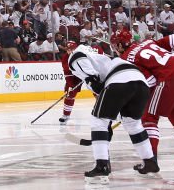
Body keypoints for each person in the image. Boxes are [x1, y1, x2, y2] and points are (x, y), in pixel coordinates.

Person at [112, 30, 174, 169]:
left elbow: (149, 81)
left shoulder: (127, 58)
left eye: (114, 45)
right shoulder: (148, 42)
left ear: (119, 45)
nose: (114, 49)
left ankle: (151, 161)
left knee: (149, 117)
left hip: (170, 77)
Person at [68, 44, 159, 180]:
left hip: (120, 80)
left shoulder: (75, 56)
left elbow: (94, 79)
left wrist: (91, 80)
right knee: (133, 124)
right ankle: (150, 162)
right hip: (140, 81)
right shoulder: (102, 57)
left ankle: (102, 165)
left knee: (98, 120)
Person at [58, 38, 81, 124]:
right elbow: (67, 73)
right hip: (73, 77)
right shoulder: (65, 58)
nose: (69, 51)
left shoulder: (81, 55)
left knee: (97, 92)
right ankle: (66, 115)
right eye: (68, 49)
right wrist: (70, 85)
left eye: (71, 49)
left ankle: (106, 112)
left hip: (86, 75)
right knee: (70, 94)